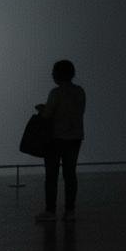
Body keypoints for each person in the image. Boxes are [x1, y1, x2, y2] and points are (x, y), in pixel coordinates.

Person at [34, 60, 86, 223]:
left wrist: (42, 109)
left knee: (51, 176)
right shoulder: (80, 92)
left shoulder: (55, 93)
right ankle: (70, 211)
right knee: (70, 175)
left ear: (58, 74)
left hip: (55, 139)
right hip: (75, 138)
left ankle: (51, 211)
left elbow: (48, 115)